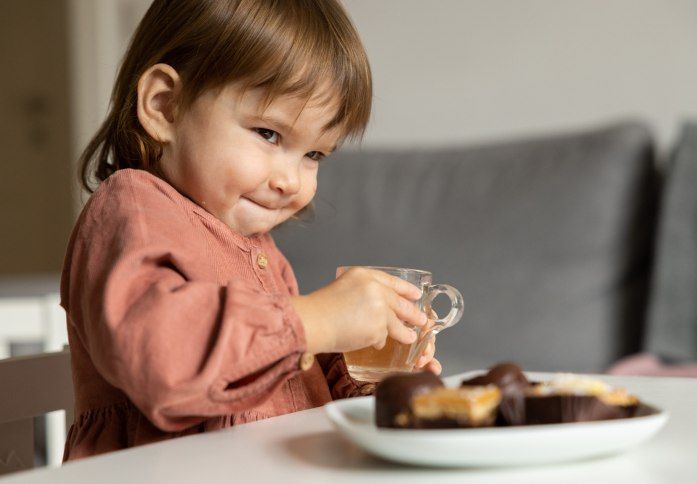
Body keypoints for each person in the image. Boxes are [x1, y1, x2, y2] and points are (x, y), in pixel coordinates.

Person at [61, 0, 440, 461]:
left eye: (315, 155)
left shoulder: (260, 252)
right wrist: (314, 319)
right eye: (268, 133)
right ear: (164, 106)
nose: (292, 181)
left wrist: (364, 376)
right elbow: (161, 359)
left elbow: (287, 385)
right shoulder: (134, 208)